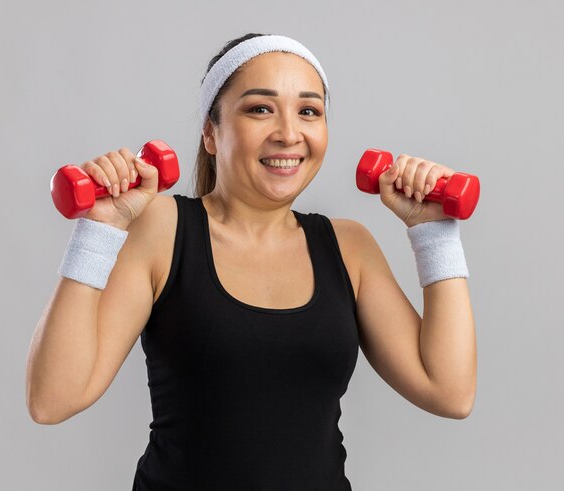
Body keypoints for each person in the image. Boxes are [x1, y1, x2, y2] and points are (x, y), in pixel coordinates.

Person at [26, 33, 477, 490]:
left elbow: (449, 391)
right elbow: (52, 399)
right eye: (260, 108)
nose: (288, 132)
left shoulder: (348, 246)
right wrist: (99, 229)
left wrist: (433, 232)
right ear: (210, 132)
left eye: (309, 111)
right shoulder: (162, 229)